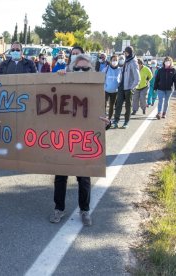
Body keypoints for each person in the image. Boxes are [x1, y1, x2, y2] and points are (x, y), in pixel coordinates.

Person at [50, 53, 95, 227]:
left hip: (83, 140)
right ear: (71, 69)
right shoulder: (63, 83)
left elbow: (101, 117)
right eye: (77, 68)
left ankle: (85, 210)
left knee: (84, 177)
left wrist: (107, 123)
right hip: (63, 138)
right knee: (60, 176)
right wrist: (59, 77)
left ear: (91, 70)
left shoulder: (96, 88)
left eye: (85, 68)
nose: (81, 71)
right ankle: (58, 208)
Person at [112, 46, 140, 129]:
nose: (125, 54)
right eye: (125, 53)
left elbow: (137, 78)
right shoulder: (126, 61)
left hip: (128, 88)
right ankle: (115, 121)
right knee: (118, 105)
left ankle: (126, 122)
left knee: (128, 106)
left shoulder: (133, 62)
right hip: (121, 86)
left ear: (130, 53)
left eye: (127, 53)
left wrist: (132, 88)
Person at [103, 55, 122, 120]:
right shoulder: (106, 69)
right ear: (110, 61)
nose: (115, 61)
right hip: (106, 90)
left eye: (116, 60)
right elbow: (101, 78)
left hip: (115, 91)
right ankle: (103, 116)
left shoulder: (120, 70)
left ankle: (109, 119)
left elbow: (121, 80)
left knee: (112, 105)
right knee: (104, 104)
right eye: (113, 60)